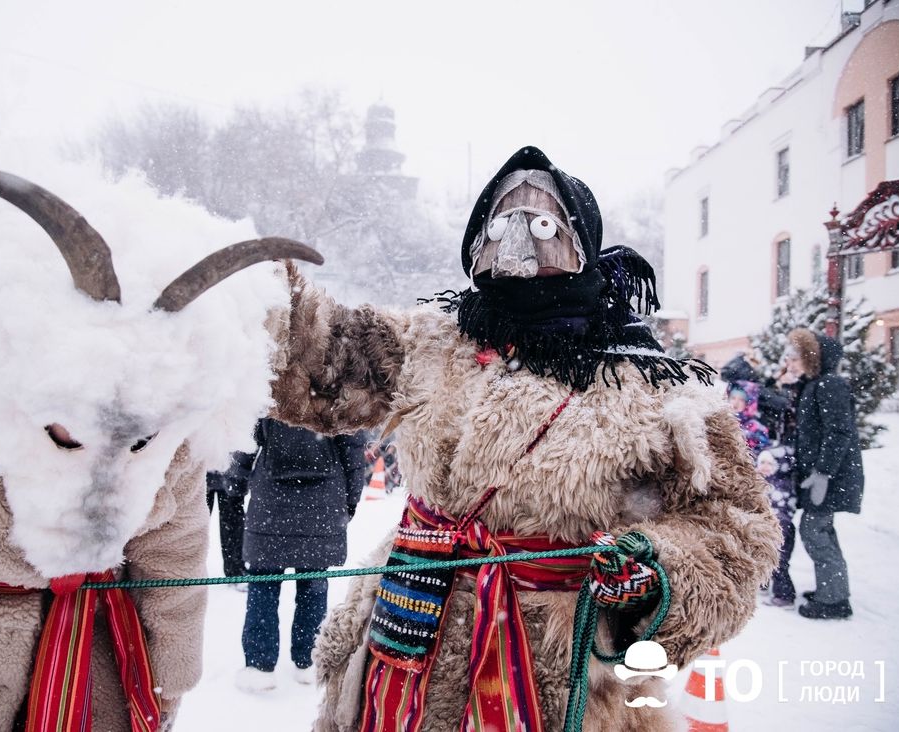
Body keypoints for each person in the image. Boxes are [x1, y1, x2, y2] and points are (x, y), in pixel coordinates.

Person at [269, 146, 780, 731]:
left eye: (542, 225)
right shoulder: (430, 343)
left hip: (554, 668)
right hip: (404, 634)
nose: (519, 244)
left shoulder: (657, 391)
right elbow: (315, 357)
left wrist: (656, 572)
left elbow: (736, 529)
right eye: (501, 223)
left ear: (579, 242)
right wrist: (239, 306)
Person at [0, 168, 320, 730]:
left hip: (98, 688)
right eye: (67, 434)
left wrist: (166, 692)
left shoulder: (167, 406)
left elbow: (173, 566)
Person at [226, 417, 366, 693]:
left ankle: (259, 664)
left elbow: (244, 437)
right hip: (323, 499)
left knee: (263, 584)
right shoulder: (333, 378)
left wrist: (236, 483)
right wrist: (351, 496)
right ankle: (307, 659)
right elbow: (352, 444)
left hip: (271, 500)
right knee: (313, 586)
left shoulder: (268, 377)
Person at [786, 328, 863, 620]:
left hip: (830, 477)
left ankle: (834, 601)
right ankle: (833, 590)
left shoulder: (829, 384)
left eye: (795, 356)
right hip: (822, 475)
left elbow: (839, 432)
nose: (790, 362)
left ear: (811, 357)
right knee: (821, 530)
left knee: (814, 530)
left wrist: (823, 473)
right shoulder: (815, 384)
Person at [757, 447, 797, 606]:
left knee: (779, 561)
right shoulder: (757, 481)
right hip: (764, 528)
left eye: (770, 463)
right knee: (762, 556)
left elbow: (787, 508)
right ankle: (763, 583)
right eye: (762, 462)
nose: (765, 467)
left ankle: (785, 595)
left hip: (782, 529)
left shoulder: (781, 485)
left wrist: (776, 520)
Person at [205, 468, 248, 582]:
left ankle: (236, 571)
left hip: (229, 472)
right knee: (194, 524)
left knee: (233, 522)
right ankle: (236, 571)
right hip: (228, 471)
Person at [727, 380, 770, 456]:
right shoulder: (720, 421)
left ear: (748, 403)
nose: (735, 403)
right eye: (733, 398)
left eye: (741, 400)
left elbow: (761, 456)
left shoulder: (757, 428)